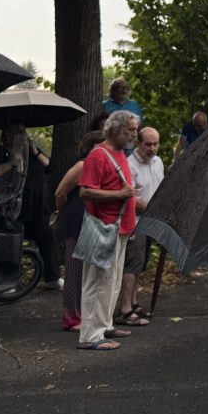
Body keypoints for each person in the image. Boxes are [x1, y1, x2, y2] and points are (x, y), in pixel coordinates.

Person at [76, 110, 139, 350]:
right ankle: (90, 335)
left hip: (119, 227)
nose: (134, 134)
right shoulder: (98, 155)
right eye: (129, 130)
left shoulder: (120, 153)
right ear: (115, 129)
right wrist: (119, 195)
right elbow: (85, 191)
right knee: (98, 281)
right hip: (104, 226)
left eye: (134, 129)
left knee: (112, 281)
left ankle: (104, 324)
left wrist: (129, 224)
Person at [0, 122, 61, 290]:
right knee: (10, 243)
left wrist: (34, 151)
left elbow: (51, 167)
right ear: (7, 134)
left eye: (23, 131)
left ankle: (52, 277)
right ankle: (7, 280)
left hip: (37, 207)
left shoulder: (32, 154)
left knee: (48, 236)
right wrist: (12, 161)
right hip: (11, 209)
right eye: (16, 132)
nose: (21, 135)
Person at [54, 130, 105, 332]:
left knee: (90, 272)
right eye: (98, 146)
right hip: (77, 219)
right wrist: (64, 212)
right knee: (74, 270)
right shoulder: (82, 165)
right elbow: (60, 193)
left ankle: (86, 313)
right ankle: (72, 317)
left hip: (94, 221)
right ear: (89, 147)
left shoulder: (100, 167)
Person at [119, 126, 164, 325]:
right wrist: (151, 208)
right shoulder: (129, 164)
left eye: (155, 144)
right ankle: (125, 309)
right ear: (139, 143)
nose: (152, 148)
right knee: (132, 264)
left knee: (141, 264)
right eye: (148, 144)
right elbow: (130, 196)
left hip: (150, 221)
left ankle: (134, 303)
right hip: (134, 221)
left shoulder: (158, 162)